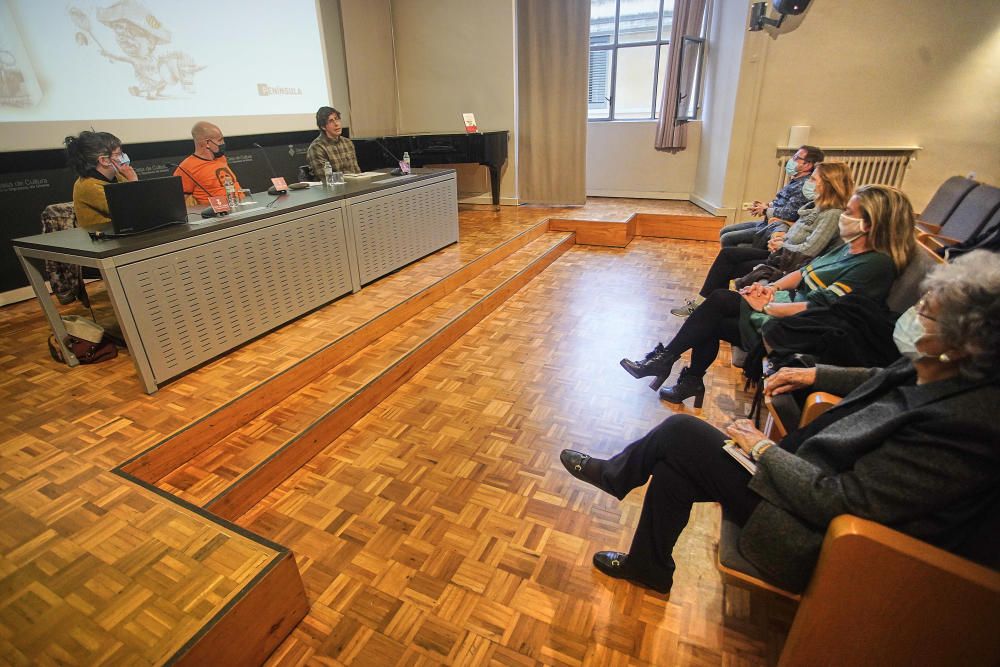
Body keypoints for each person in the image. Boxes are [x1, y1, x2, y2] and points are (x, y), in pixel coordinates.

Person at [562, 249, 1000, 595]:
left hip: (814, 530)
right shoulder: (939, 368)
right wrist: (817, 374)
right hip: (802, 479)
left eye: (925, 312)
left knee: (681, 433)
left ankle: (617, 476)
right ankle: (648, 565)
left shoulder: (963, 425)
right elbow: (883, 378)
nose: (912, 316)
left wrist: (763, 448)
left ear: (966, 341)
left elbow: (842, 503)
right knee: (676, 465)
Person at [621, 185, 916, 405]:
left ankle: (671, 364)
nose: (843, 217)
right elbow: (803, 273)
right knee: (710, 318)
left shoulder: (876, 263)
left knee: (718, 303)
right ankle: (686, 377)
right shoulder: (850, 247)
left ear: (871, 222)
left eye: (850, 213)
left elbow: (826, 311)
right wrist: (771, 288)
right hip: (787, 311)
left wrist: (771, 307)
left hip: (805, 330)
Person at [672, 162, 854, 317]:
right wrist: (781, 238)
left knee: (729, 259)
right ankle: (703, 305)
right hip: (781, 253)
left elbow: (810, 250)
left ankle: (704, 306)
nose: (809, 182)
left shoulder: (832, 214)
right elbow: (798, 234)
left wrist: (782, 243)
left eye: (814, 179)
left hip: (790, 262)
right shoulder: (816, 207)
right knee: (728, 256)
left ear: (829, 184)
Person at [65, 130, 138, 228]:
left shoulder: (118, 176)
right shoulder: (87, 185)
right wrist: (133, 182)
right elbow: (129, 209)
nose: (123, 157)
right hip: (104, 239)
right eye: (118, 154)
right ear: (104, 160)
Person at [173, 121, 243, 205]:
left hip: (241, 206)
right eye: (220, 140)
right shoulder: (186, 168)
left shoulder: (221, 159)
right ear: (207, 143)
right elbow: (178, 202)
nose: (223, 143)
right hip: (218, 214)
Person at [306, 106, 360, 178]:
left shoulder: (347, 143)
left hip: (354, 186)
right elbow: (325, 178)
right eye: (331, 121)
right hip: (332, 188)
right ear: (323, 126)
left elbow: (356, 171)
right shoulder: (317, 148)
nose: (336, 124)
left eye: (337, 119)